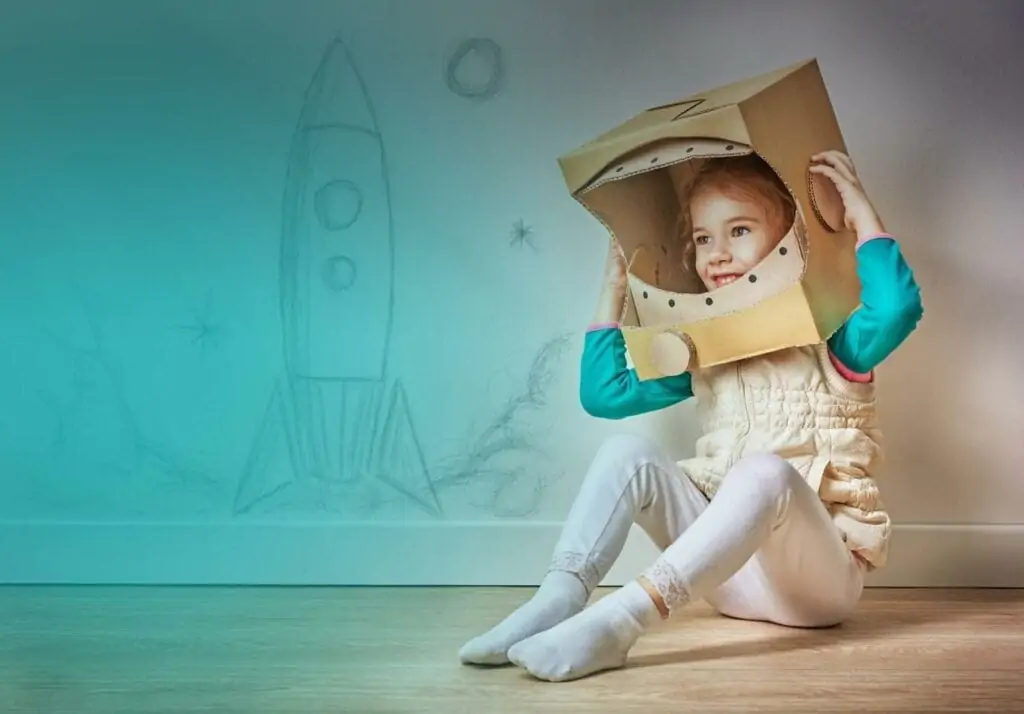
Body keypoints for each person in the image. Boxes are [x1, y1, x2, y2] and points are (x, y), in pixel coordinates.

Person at [458, 150, 924, 682]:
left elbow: (897, 307)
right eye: (704, 238)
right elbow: (606, 397)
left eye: (740, 230)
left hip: (816, 590)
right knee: (626, 452)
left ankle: (622, 620)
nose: (717, 254)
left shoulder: (833, 347)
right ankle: (557, 600)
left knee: (765, 472)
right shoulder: (705, 354)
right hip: (724, 580)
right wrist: (613, 291)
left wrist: (862, 216)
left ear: (789, 244)